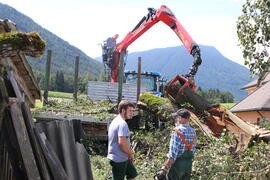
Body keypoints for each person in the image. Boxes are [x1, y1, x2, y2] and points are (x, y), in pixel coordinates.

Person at [156, 108, 196, 180]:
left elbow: (173, 154)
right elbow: (193, 150)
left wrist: (164, 168)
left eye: (176, 117)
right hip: (188, 165)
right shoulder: (193, 131)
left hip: (178, 165)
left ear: (180, 118)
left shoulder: (177, 131)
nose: (176, 119)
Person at [107, 100, 138, 180]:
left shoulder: (116, 120)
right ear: (123, 110)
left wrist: (128, 155)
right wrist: (130, 154)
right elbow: (122, 143)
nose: (132, 113)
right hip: (119, 158)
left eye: (133, 111)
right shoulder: (122, 124)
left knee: (132, 174)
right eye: (130, 111)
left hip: (122, 156)